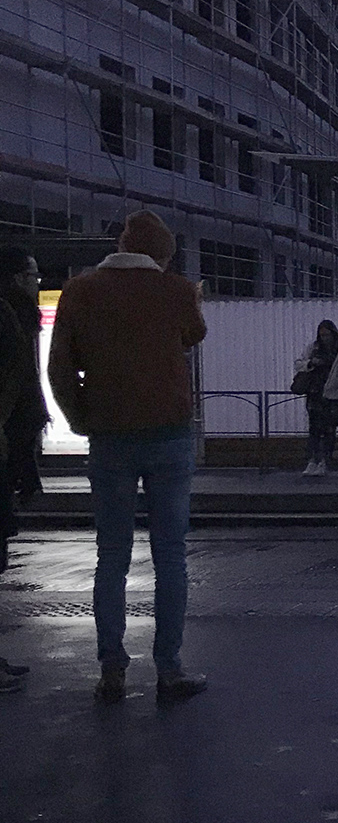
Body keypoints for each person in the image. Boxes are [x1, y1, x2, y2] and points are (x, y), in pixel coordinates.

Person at [47, 210, 208, 704]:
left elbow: (59, 368)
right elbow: (194, 334)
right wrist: (191, 301)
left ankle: (112, 669)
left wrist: (81, 418)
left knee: (112, 554)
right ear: (162, 254)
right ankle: (169, 669)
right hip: (169, 435)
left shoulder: (80, 291)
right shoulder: (176, 290)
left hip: (110, 438)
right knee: (170, 555)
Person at [0, 247, 45, 690]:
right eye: (33, 275)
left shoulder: (16, 317)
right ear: (15, 278)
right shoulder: (7, 318)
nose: (37, 282)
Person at [294, 318, 338, 477]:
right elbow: (298, 363)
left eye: (327, 335)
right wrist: (310, 363)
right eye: (322, 335)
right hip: (315, 392)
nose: (324, 338)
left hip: (332, 394)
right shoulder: (313, 348)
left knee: (329, 428)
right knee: (314, 428)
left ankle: (324, 461)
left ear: (334, 334)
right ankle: (313, 460)